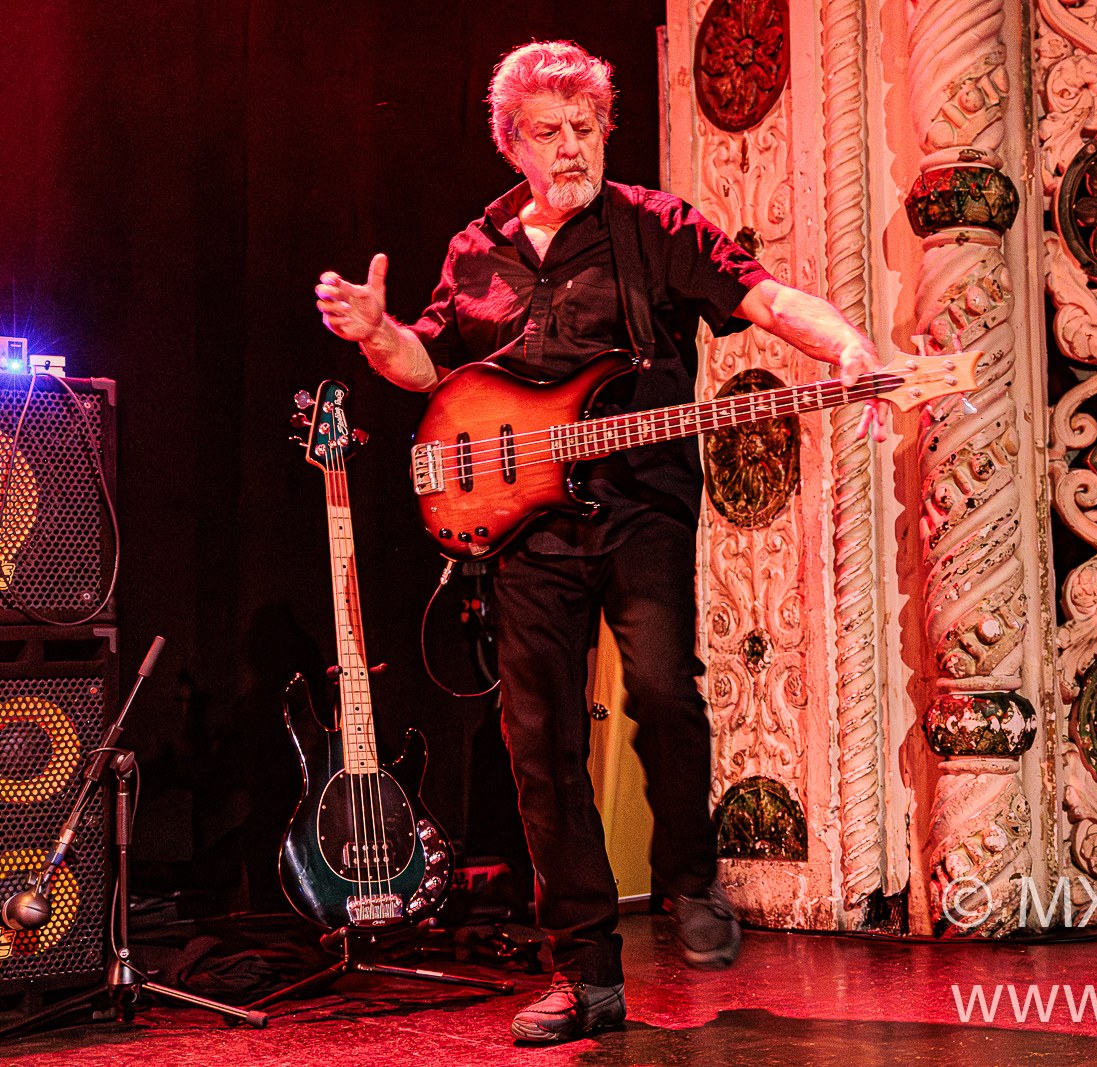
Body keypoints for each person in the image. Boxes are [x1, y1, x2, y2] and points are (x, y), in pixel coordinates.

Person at [313, 40, 883, 1044]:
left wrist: (847, 347)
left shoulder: (654, 226)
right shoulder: (473, 249)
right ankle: (585, 974)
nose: (571, 146)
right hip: (522, 521)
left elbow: (764, 298)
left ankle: (690, 876)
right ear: (512, 142)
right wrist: (373, 333)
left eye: (587, 128)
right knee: (541, 744)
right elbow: (425, 365)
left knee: (663, 687)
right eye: (549, 131)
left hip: (639, 501)